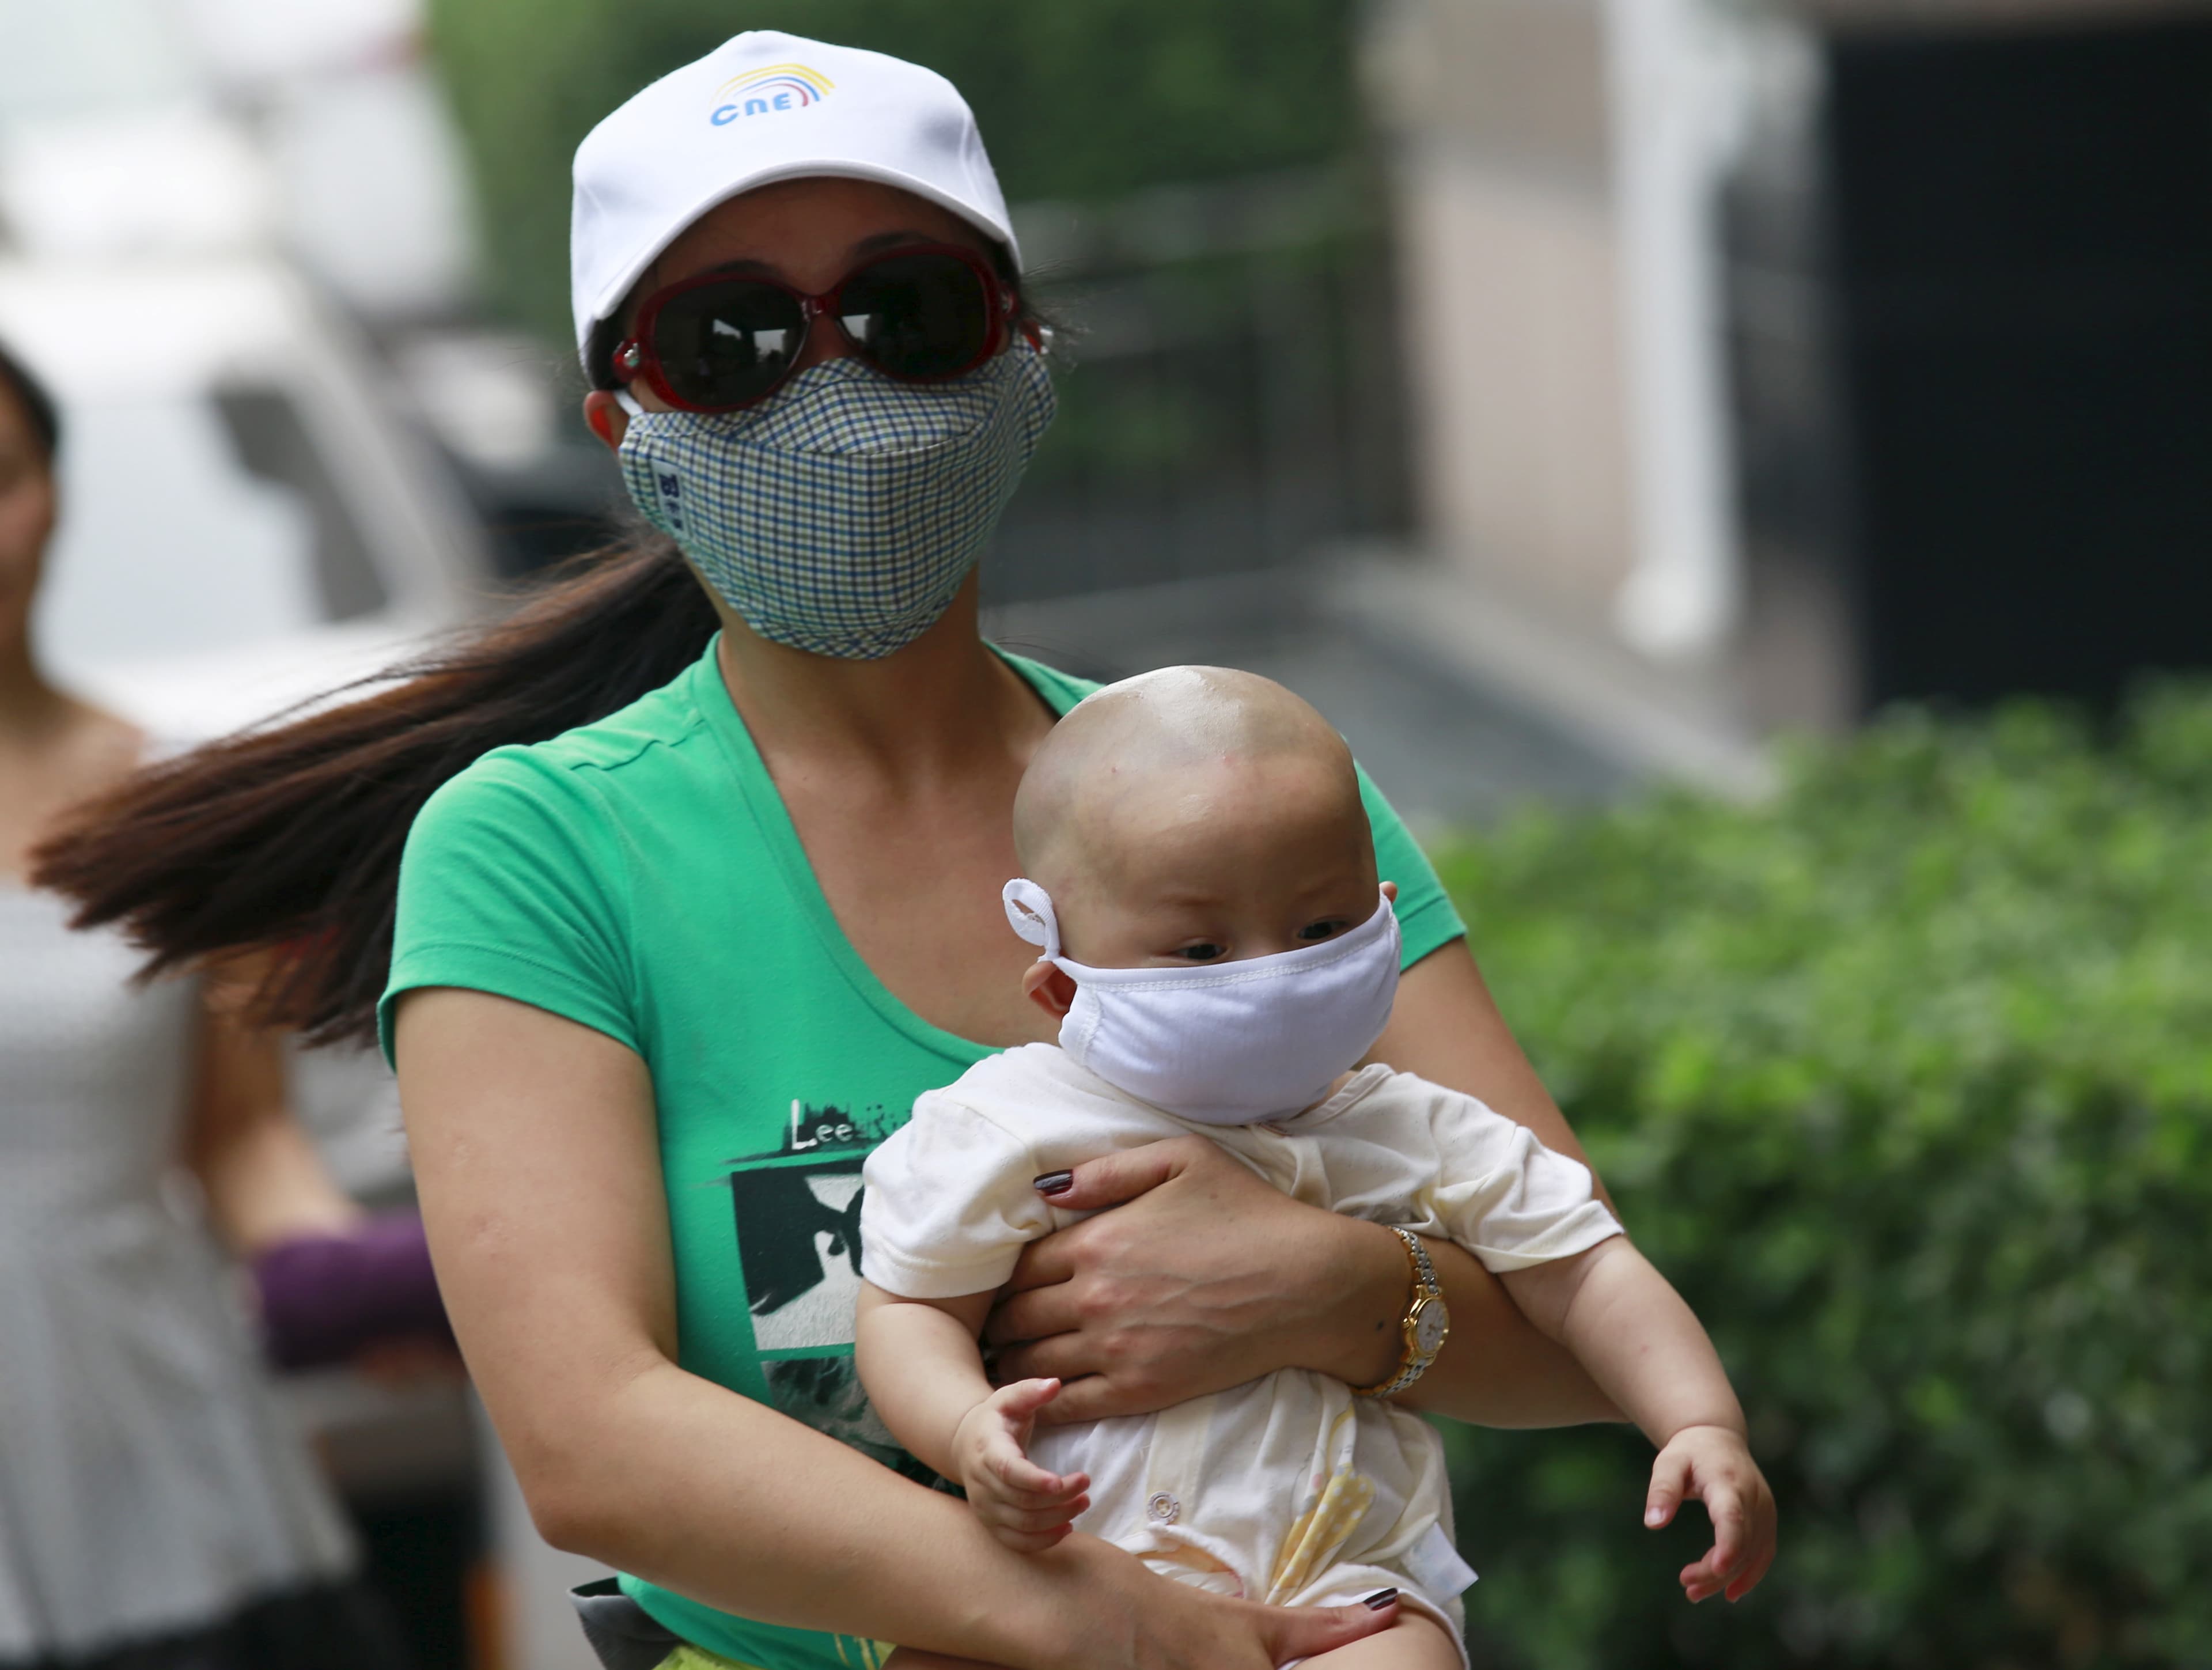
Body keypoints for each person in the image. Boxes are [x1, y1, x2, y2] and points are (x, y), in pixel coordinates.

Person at [40, 32, 1632, 1670]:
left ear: (1021, 350)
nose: (838, 389)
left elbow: (1585, 1325)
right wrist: (1126, 1630)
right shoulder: (540, 851)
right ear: (624, 418)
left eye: (907, 311)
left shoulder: (1247, 786)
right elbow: (593, 1441)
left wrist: (1339, 1292)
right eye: (728, 338)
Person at [856, 667, 1777, 1670]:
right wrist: (965, 1432)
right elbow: (908, 1307)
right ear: (1057, 983)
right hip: (1063, 1579)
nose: (1272, 973)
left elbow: (1589, 1266)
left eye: (1319, 929)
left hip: (1339, 1589)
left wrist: (1699, 1421)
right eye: (1203, 947)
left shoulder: (1422, 1130)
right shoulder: (1004, 1124)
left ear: (1383, 910)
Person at [0, 340, 413, 1669]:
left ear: (56, 494)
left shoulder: (179, 811)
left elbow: (240, 1135)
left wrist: (357, 1281)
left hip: (163, 1465)